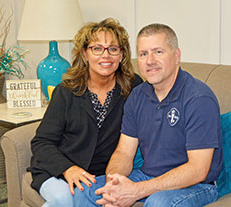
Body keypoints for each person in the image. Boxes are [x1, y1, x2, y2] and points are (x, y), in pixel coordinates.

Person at [76, 23, 223, 207]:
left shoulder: (199, 98)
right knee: (88, 192)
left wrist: (138, 190)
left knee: (158, 202)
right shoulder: (137, 95)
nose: (150, 61)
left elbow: (197, 170)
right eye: (144, 54)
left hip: (195, 185)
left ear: (176, 56)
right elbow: (124, 152)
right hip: (147, 175)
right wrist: (113, 183)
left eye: (158, 52)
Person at [28, 18, 143, 207]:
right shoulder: (66, 91)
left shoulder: (133, 87)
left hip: (99, 174)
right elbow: (42, 142)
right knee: (64, 199)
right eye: (97, 48)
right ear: (85, 53)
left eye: (113, 49)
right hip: (59, 169)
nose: (105, 56)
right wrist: (67, 168)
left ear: (122, 55)